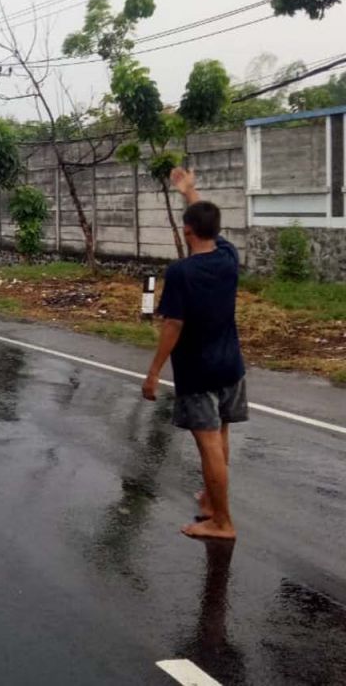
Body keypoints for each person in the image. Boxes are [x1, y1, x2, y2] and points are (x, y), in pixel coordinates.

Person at [142, 167, 246, 541]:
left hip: (198, 372)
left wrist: (154, 372)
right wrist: (190, 192)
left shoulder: (182, 273)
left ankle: (222, 522)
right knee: (220, 436)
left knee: (209, 445)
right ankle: (211, 503)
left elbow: (173, 325)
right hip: (231, 366)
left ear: (187, 231)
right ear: (215, 230)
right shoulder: (229, 257)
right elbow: (206, 222)